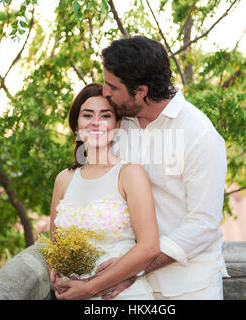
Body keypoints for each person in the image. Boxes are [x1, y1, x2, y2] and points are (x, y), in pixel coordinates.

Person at [62, 35, 229, 300]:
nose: (105, 93)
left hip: (187, 287)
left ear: (141, 91)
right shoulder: (120, 122)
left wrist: (134, 269)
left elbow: (204, 225)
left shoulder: (199, 135)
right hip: (123, 288)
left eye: (112, 87)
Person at [48, 82, 159, 300]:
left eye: (105, 116)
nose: (96, 123)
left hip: (122, 296)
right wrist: (54, 269)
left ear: (117, 125)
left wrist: (91, 288)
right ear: (76, 124)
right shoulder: (64, 179)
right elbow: (54, 245)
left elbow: (149, 246)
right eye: (87, 115)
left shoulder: (129, 173)